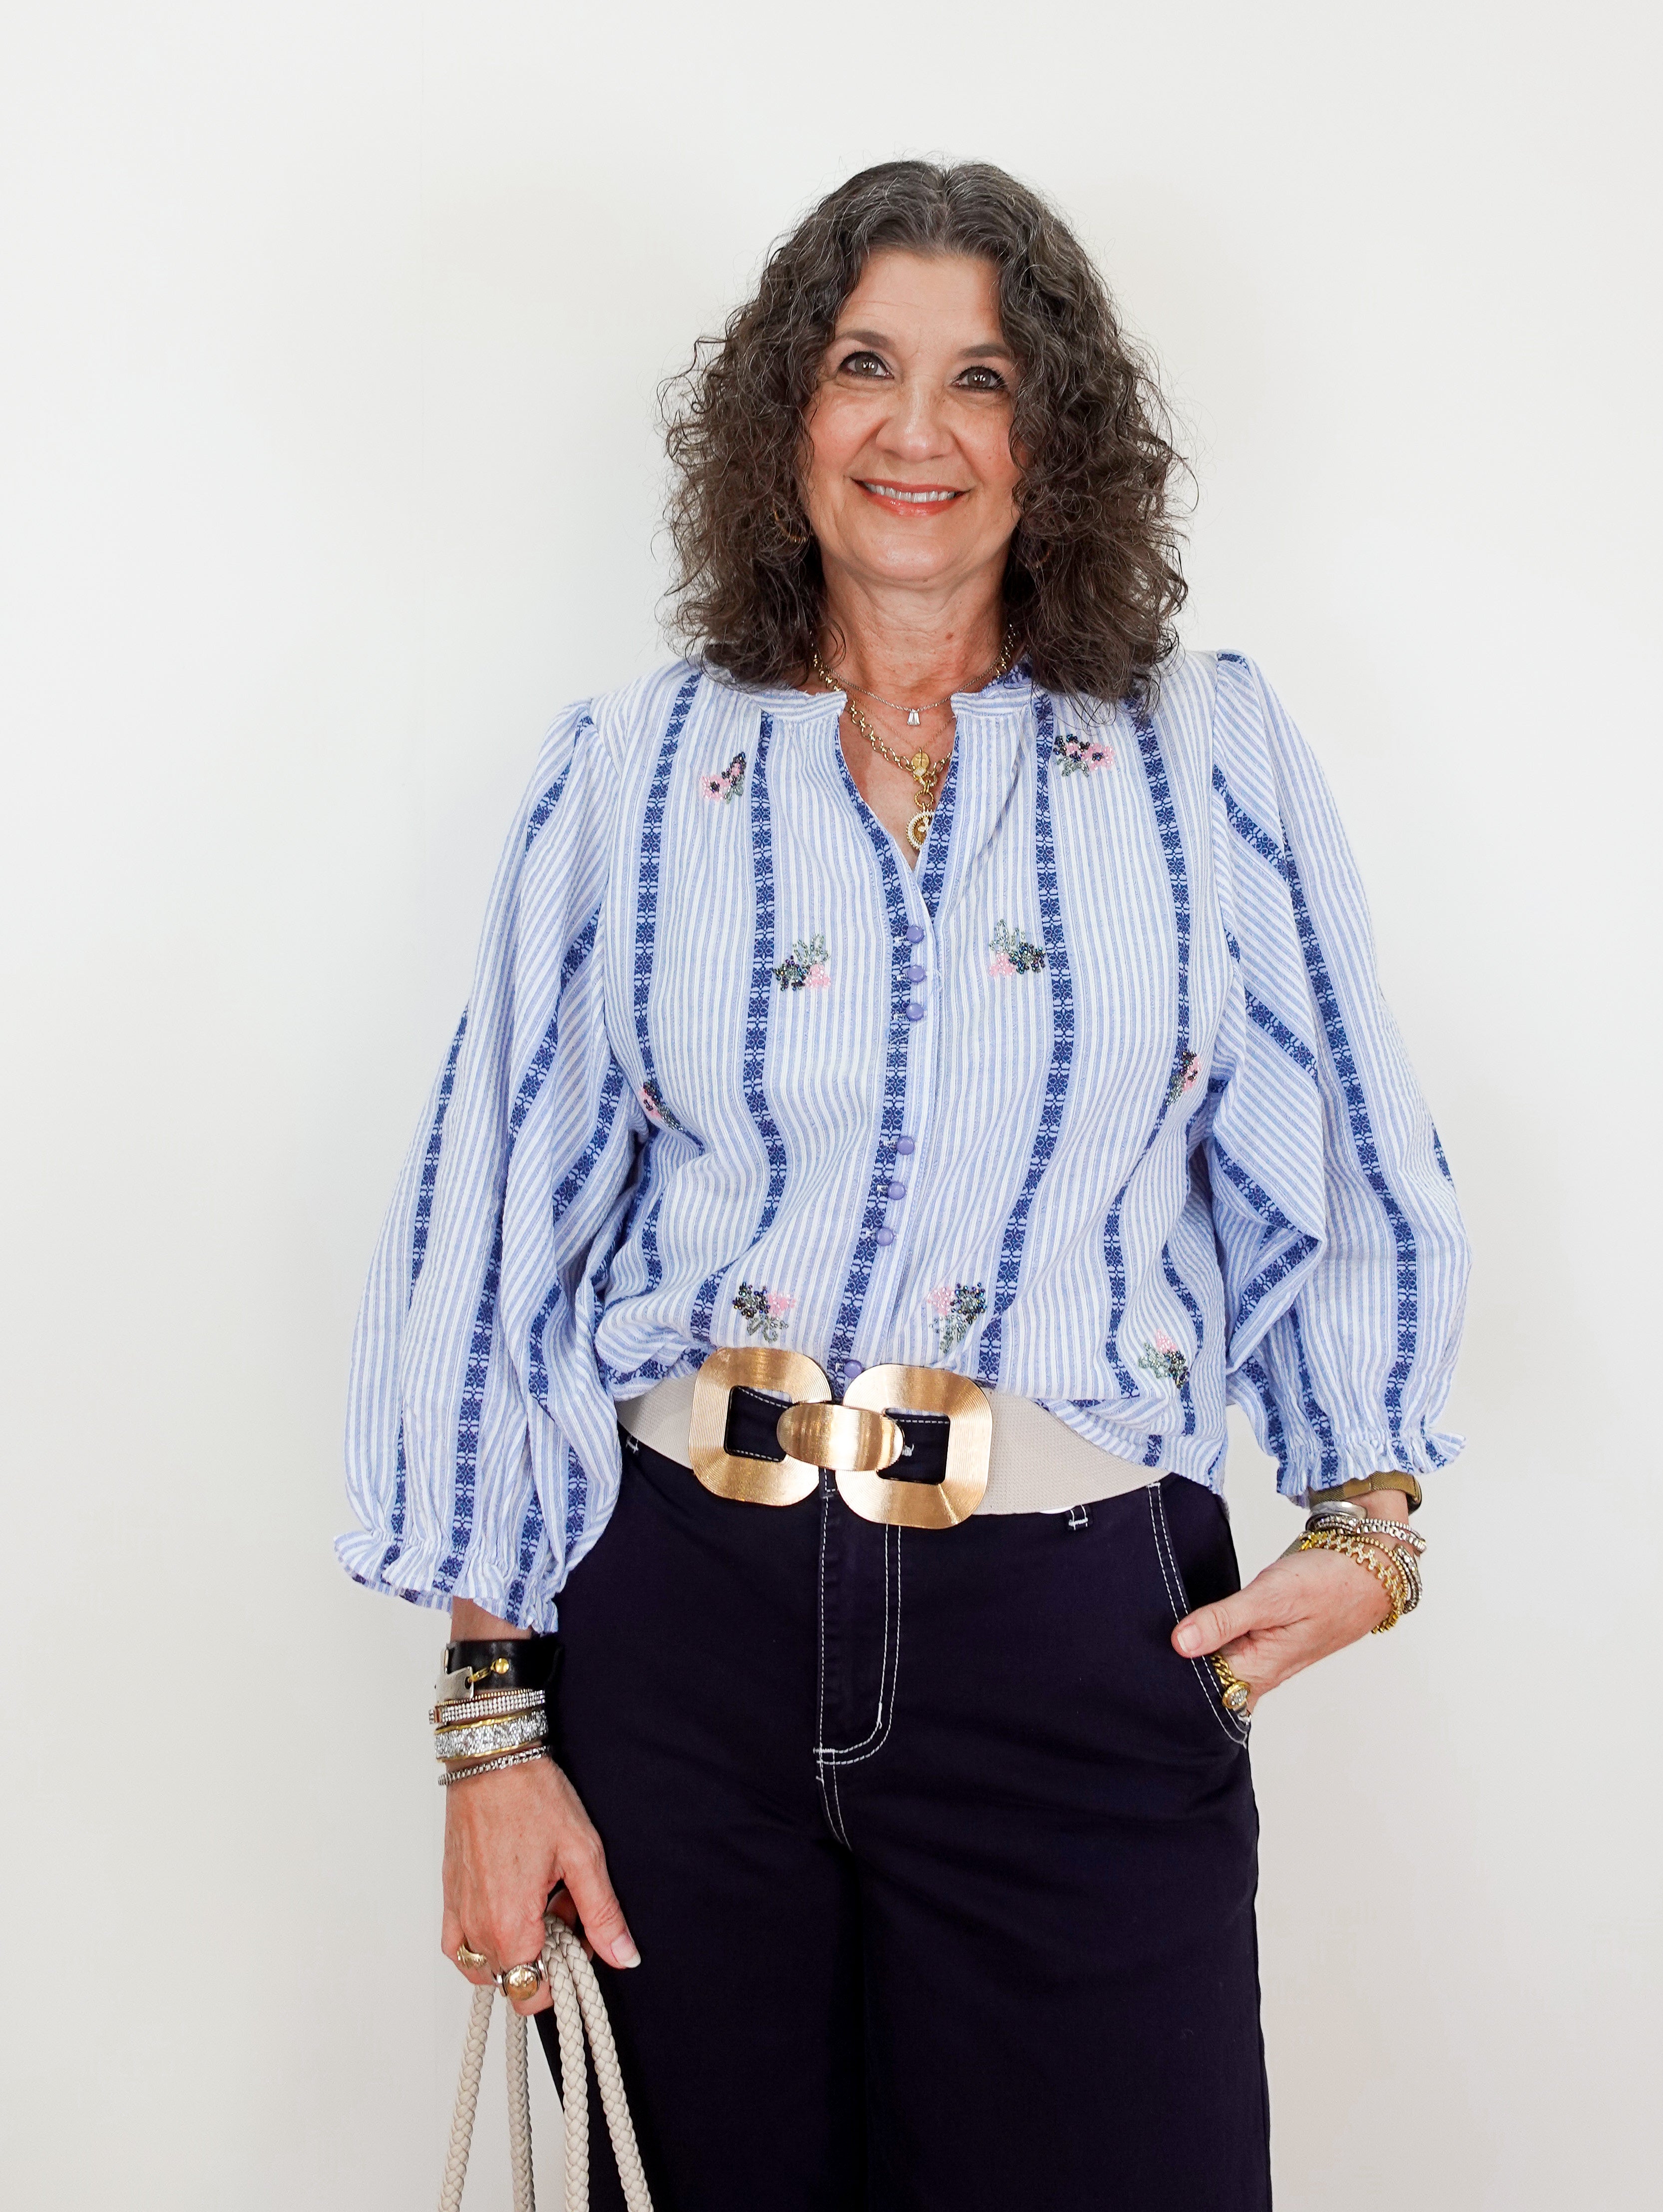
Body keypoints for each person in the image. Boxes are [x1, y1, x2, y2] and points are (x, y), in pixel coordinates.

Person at [340, 158, 1469, 2211]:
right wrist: (493, 1731)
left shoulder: (1201, 754)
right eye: (865, 365)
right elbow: (500, 1227)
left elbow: (1347, 1146)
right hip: (681, 1626)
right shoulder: (632, 768)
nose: (918, 430)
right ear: (788, 412)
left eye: (984, 376)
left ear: (1057, 436)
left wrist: (1365, 1524)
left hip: (1076, 1629)